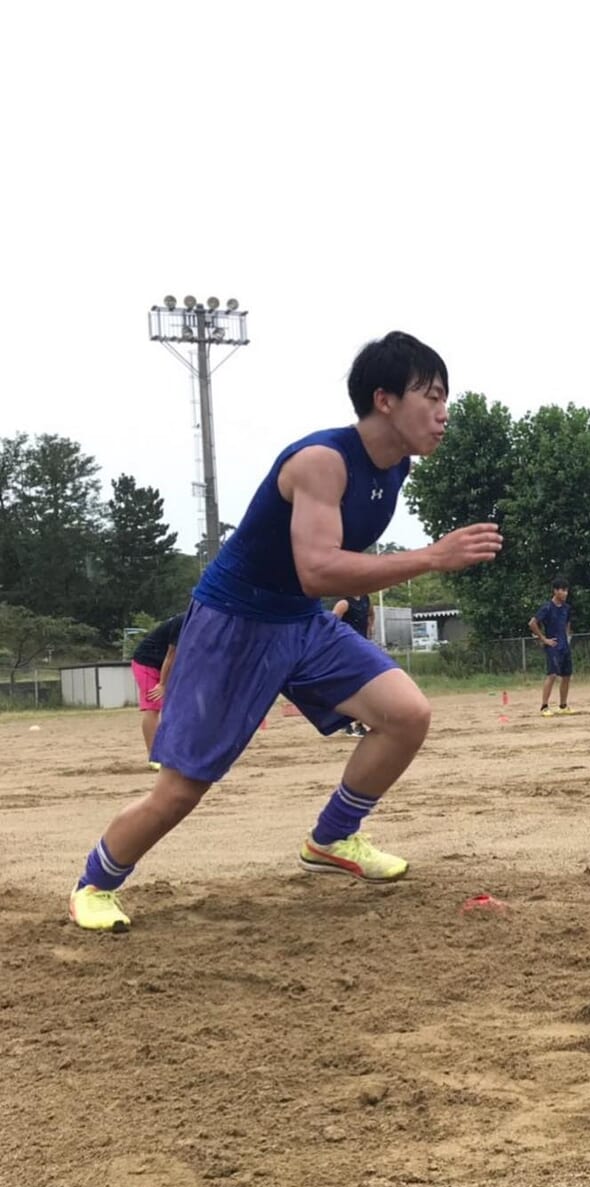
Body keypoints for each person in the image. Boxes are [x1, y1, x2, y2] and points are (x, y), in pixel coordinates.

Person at [67, 332, 503, 933]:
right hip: (236, 624)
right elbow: (318, 568)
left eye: (444, 397)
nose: (444, 412)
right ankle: (95, 882)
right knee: (182, 789)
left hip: (301, 621)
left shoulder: (395, 466)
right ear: (384, 400)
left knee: (406, 714)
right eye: (430, 396)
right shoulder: (321, 462)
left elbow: (324, 575)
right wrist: (431, 557)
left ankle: (331, 840)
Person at [130, 613, 184, 769]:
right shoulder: (183, 622)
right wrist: (162, 684)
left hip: (167, 667)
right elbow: (171, 655)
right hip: (147, 663)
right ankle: (154, 757)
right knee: (153, 707)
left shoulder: (206, 624)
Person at [529, 576, 573, 716]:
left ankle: (563, 705)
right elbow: (532, 623)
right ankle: (544, 707)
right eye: (563, 590)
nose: (565, 593)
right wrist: (544, 639)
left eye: (567, 590)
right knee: (552, 674)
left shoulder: (567, 608)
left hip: (564, 646)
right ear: (555, 591)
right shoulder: (547, 607)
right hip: (553, 646)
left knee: (566, 675)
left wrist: (567, 637)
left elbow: (567, 623)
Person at [333, 592, 374, 735]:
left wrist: (369, 629)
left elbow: (370, 614)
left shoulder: (366, 599)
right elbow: (332, 624)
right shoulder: (344, 603)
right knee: (353, 685)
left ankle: (355, 722)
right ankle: (352, 722)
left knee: (363, 684)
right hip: (347, 647)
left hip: (362, 645)